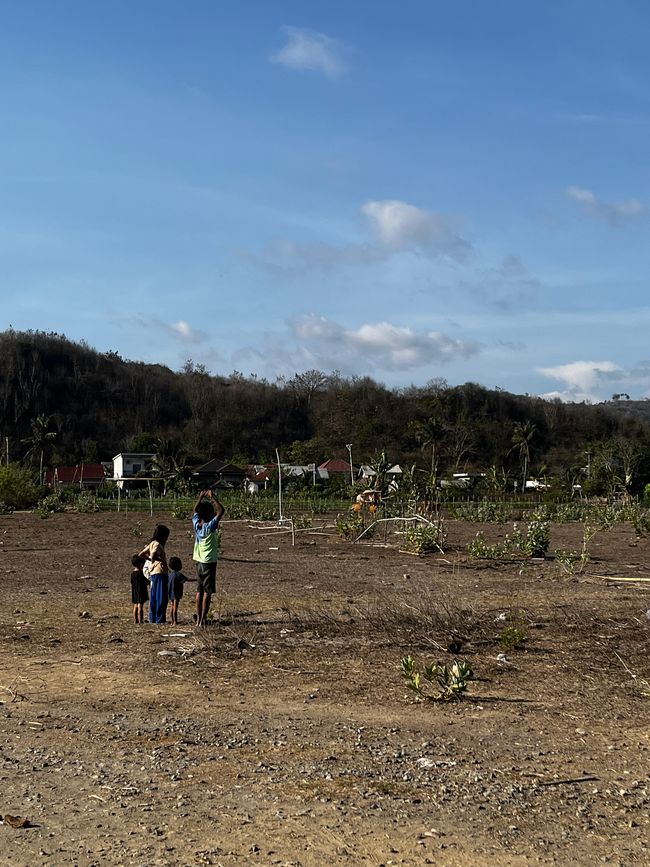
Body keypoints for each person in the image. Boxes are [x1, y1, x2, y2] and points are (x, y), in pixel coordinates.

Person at [192, 489, 225, 626]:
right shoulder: (210, 526)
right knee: (207, 591)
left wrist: (200, 498)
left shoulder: (196, 524)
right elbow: (221, 511)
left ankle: (198, 618)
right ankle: (202, 619)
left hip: (198, 561)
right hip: (209, 562)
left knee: (199, 590)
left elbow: (195, 511)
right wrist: (213, 498)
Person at [139, 524, 170, 623]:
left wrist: (150, 560)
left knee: (154, 596)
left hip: (153, 573)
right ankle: (160, 618)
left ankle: (152, 617)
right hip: (160, 572)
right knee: (161, 596)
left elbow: (141, 554)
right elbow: (153, 556)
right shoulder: (157, 544)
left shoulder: (151, 543)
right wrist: (161, 561)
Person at [167, 555, 191, 626]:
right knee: (175, 607)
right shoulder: (179, 574)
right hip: (176, 592)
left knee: (172, 606)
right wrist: (197, 579)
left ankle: (172, 621)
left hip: (170, 592)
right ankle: (175, 621)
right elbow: (187, 579)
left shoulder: (170, 574)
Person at [130, 554, 149, 624]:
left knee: (135, 606)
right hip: (141, 591)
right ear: (141, 564)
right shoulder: (141, 573)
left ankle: (135, 620)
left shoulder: (133, 573)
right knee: (140, 606)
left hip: (134, 591)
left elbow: (131, 582)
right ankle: (141, 620)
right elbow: (146, 581)